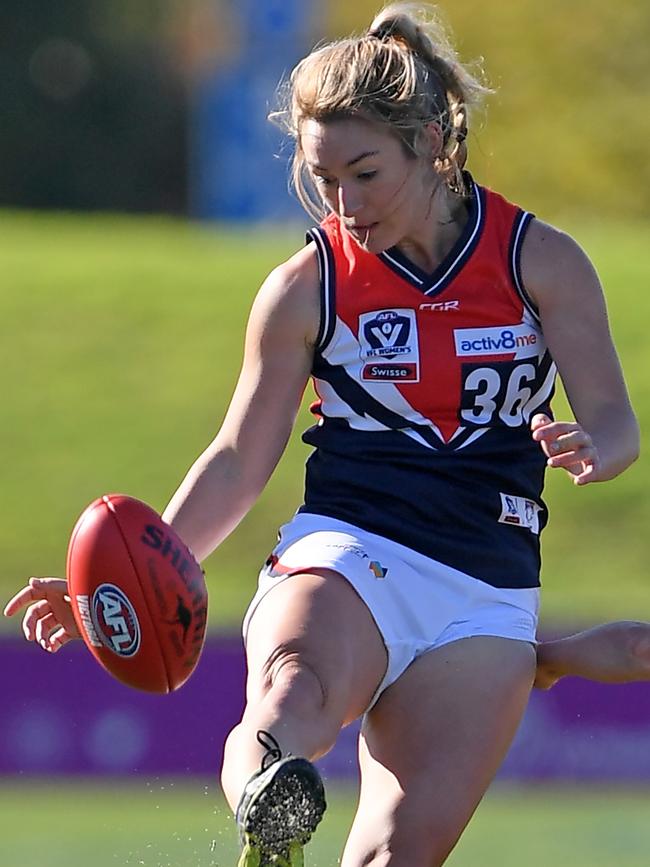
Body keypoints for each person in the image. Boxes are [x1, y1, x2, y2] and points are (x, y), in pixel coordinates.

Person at [4, 4, 647, 865]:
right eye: (321, 177)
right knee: (288, 698)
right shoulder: (307, 285)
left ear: (432, 142)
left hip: (487, 586)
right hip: (350, 547)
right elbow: (237, 458)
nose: (343, 203)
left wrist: (597, 448)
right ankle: (270, 808)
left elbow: (616, 421)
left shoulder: (541, 261)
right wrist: (127, 580)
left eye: (365, 173)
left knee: (393, 854)